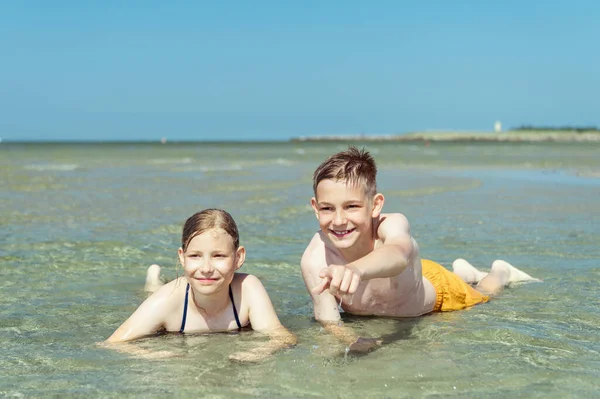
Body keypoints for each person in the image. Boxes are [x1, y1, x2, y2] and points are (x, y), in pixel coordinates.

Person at [300, 146, 540, 352]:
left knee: (486, 295)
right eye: (327, 209)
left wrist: (354, 269)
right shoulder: (315, 259)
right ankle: (463, 271)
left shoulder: (391, 225)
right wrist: (353, 340)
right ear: (315, 207)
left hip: (438, 294)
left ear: (375, 205)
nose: (339, 220)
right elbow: (328, 318)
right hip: (414, 278)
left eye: (351, 206)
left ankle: (500, 271)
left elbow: (399, 253)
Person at [105, 208, 296, 361]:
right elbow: (113, 343)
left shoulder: (248, 288)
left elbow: (284, 338)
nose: (206, 268)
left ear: (238, 257)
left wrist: (260, 351)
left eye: (218, 256)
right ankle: (153, 281)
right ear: (182, 257)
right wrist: (154, 354)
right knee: (151, 293)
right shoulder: (168, 300)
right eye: (195, 256)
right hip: (173, 295)